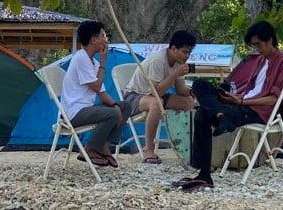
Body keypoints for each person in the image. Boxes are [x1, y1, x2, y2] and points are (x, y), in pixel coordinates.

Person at [175, 21, 283, 190]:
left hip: (257, 110)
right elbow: (250, 89)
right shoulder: (260, 61)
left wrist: (242, 102)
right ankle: (219, 115)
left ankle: (204, 174)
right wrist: (234, 97)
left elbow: (273, 99)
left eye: (258, 44)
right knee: (199, 84)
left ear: (269, 40)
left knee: (202, 113)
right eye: (254, 45)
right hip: (241, 103)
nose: (257, 48)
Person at [61, 20, 138, 168]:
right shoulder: (81, 58)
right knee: (112, 114)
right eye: (103, 35)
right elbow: (96, 86)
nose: (106, 39)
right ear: (94, 39)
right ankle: (90, 148)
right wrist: (103, 61)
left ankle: (105, 146)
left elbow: (102, 93)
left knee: (125, 106)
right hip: (74, 112)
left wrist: (116, 105)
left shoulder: (92, 63)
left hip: (87, 109)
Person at [122, 30, 196, 164]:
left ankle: (184, 145)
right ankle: (148, 149)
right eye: (184, 52)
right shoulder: (158, 60)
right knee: (157, 103)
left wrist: (195, 92)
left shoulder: (179, 62)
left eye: (189, 53)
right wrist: (174, 74)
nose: (187, 56)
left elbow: (181, 90)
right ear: (173, 48)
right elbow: (156, 92)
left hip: (157, 95)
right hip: (135, 96)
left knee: (188, 103)